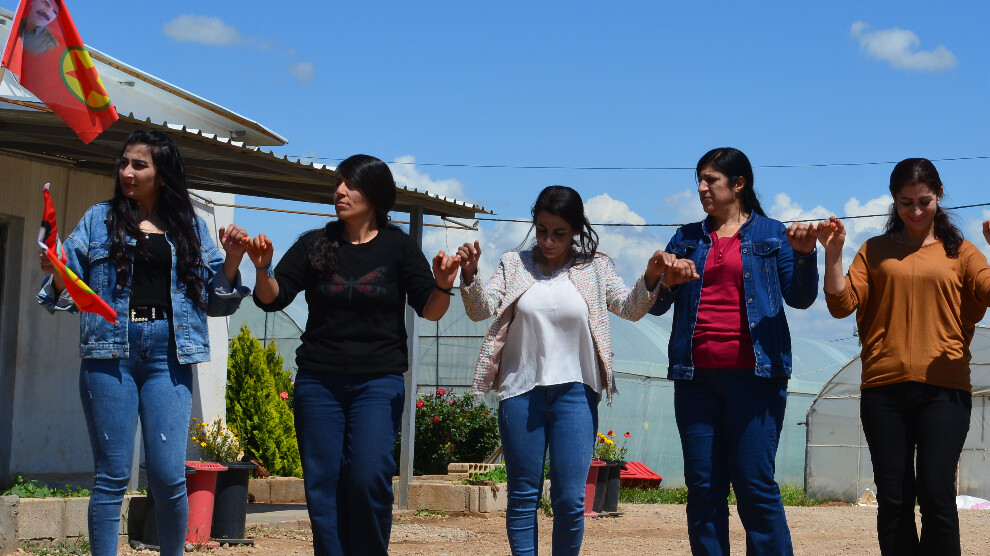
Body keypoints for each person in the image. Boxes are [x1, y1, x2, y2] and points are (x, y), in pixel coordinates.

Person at [38, 129, 250, 556]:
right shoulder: (98, 220)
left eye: (139, 165)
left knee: (168, 476)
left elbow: (215, 299)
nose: (127, 172)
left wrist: (232, 258)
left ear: (162, 174)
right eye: (123, 163)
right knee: (112, 476)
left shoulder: (190, 226)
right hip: (109, 353)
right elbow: (65, 288)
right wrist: (57, 269)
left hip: (169, 356)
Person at [244, 154, 459, 556]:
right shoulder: (314, 243)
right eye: (338, 184)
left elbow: (430, 310)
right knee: (322, 486)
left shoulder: (398, 247)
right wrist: (262, 269)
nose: (340, 192)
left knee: (367, 476)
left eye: (351, 184)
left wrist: (443, 285)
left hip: (378, 382)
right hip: (318, 382)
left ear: (375, 194)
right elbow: (273, 298)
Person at [457, 185, 665, 555]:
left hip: (576, 394)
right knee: (523, 495)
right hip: (520, 393)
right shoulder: (513, 264)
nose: (549, 241)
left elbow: (629, 307)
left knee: (570, 499)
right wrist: (470, 274)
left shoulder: (596, 267)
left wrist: (650, 277)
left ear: (577, 230)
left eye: (559, 233)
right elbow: (480, 309)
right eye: (541, 230)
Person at [649, 147, 819, 555]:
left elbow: (800, 298)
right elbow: (655, 305)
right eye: (699, 180)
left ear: (739, 184)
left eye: (711, 180)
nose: (702, 188)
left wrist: (804, 255)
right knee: (703, 488)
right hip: (695, 380)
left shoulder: (772, 234)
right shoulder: (686, 237)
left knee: (754, 485)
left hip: (756, 380)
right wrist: (665, 279)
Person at [818, 158, 990, 556]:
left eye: (924, 201)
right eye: (906, 202)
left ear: (939, 195)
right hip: (883, 390)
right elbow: (841, 305)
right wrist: (833, 255)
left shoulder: (963, 253)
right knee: (894, 497)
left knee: (936, 493)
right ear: (894, 200)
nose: (915, 211)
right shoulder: (874, 251)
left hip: (945, 391)